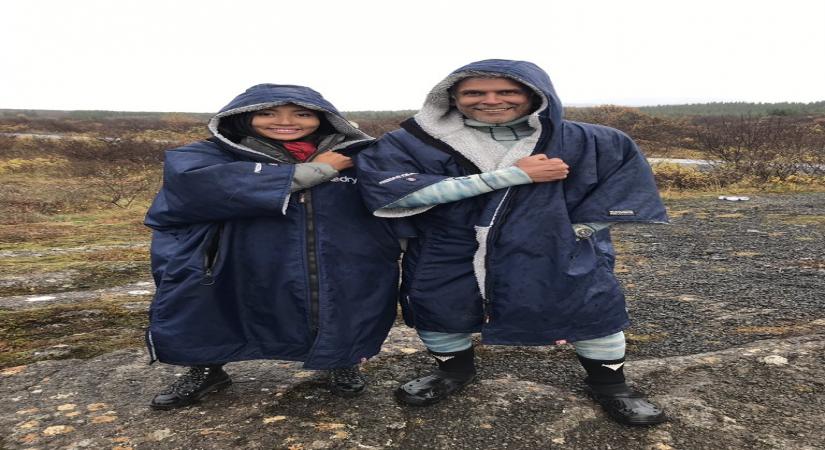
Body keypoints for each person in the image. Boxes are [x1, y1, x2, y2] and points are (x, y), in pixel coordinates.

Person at [356, 59, 669, 425]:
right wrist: (511, 176)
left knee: (591, 310)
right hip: (447, 246)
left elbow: (621, 189)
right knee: (439, 310)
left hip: (555, 245)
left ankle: (611, 385)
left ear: (535, 95)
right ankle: (453, 371)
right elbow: (390, 193)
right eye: (474, 92)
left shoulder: (594, 140)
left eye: (507, 91)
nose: (490, 100)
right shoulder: (409, 143)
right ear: (451, 97)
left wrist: (574, 234)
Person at [144, 84, 402, 409]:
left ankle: (341, 362)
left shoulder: (356, 155)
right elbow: (198, 187)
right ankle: (207, 370)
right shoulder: (207, 154)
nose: (285, 121)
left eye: (302, 114)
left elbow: (398, 189)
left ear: (324, 118)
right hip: (239, 258)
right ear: (243, 117)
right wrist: (316, 170)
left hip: (338, 255)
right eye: (268, 113)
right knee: (212, 310)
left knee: (340, 307)